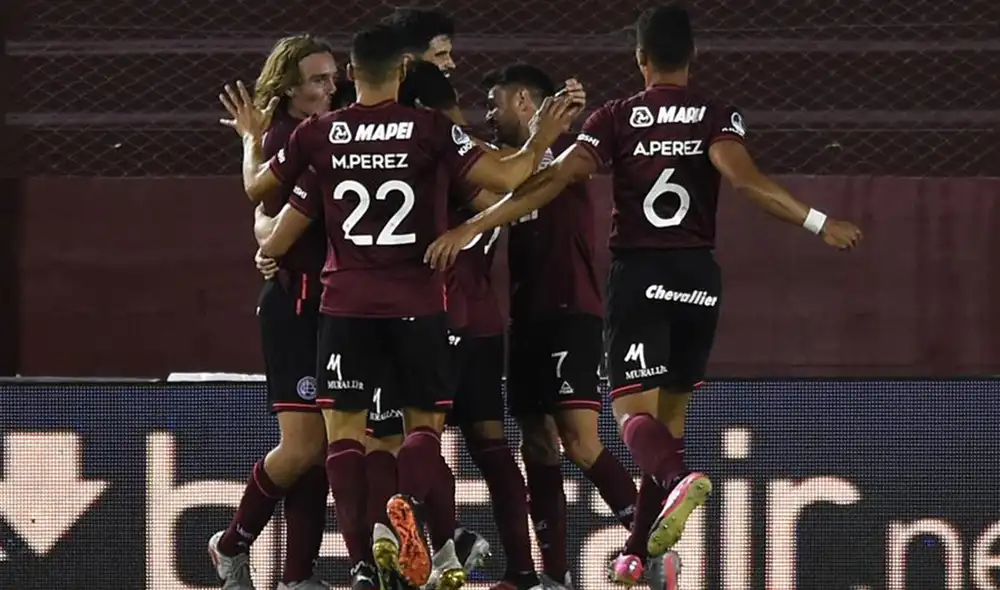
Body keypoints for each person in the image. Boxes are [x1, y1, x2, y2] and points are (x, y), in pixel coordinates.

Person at [424, 3, 863, 585]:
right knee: (661, 425)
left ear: (640, 58)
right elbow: (745, 180)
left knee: (625, 419)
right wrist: (818, 222)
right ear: (693, 56)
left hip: (634, 280)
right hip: (696, 278)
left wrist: (474, 226)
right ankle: (634, 553)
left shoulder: (614, 118)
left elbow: (551, 177)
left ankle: (678, 481)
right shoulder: (716, 115)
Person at [218, 23, 578, 590]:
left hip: (344, 307)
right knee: (421, 430)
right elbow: (509, 177)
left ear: (351, 74)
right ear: (404, 71)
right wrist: (539, 139)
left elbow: (259, 195)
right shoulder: (430, 131)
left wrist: (249, 142)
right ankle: (406, 516)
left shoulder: (320, 134)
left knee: (342, 439)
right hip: (417, 304)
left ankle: (369, 556)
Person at [478, 63, 639, 590]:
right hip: (525, 317)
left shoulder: (569, 154)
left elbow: (582, 140)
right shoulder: (507, 163)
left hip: (571, 310)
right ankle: (554, 576)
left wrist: (567, 111)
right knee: (538, 442)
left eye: (496, 102)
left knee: (580, 440)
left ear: (526, 101)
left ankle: (649, 543)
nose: (488, 114)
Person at [399, 60, 544, 590]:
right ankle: (522, 570)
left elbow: (492, 197)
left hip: (437, 314)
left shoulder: (432, 149)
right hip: (484, 317)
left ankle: (441, 551)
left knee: (419, 435)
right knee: (491, 444)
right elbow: (512, 194)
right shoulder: (484, 153)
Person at [208, 34, 336, 590]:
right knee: (303, 444)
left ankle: (298, 576)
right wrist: (252, 142)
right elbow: (267, 213)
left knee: (323, 446)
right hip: (297, 307)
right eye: (317, 80)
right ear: (287, 87)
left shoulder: (325, 127)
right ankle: (231, 543)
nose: (330, 87)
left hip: (334, 306)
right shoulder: (288, 137)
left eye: (333, 77)